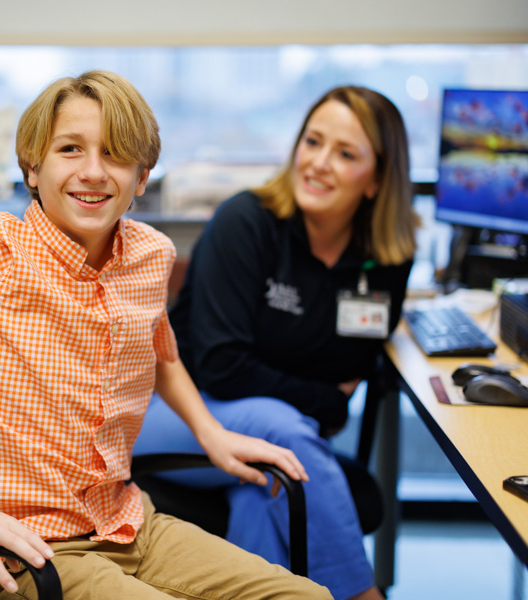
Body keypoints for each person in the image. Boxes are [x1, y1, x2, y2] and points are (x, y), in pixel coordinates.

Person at [0, 70, 332, 600]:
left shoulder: (149, 255)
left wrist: (211, 433)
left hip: (127, 525)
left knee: (308, 596)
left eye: (114, 154)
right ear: (33, 166)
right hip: (16, 552)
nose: (93, 172)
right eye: (70, 149)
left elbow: (158, 351)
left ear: (142, 176)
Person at [134, 85, 418, 600]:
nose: (319, 163)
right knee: (281, 430)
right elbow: (222, 366)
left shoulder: (386, 258)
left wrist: (319, 399)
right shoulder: (246, 223)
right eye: (313, 142)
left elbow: (353, 361)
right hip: (168, 411)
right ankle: (362, 594)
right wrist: (324, 398)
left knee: (268, 489)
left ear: (377, 179)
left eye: (346, 153)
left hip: (273, 435)